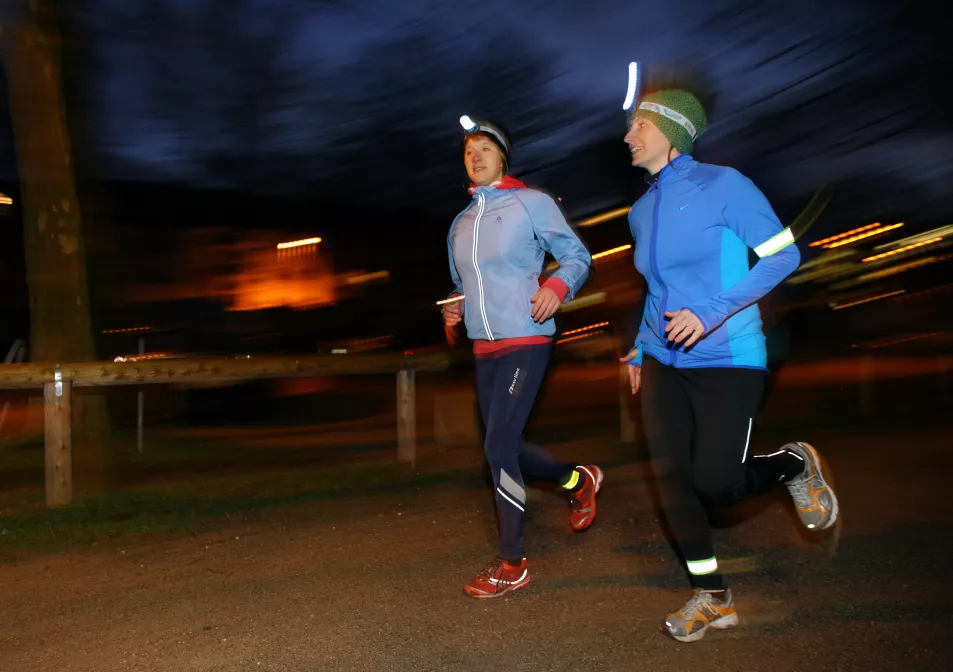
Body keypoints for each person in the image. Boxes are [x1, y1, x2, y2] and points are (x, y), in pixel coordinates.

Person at [619, 90, 839, 641]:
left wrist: (713, 312)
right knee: (672, 482)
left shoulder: (725, 186)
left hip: (729, 356)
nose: (628, 136)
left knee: (715, 481)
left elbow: (783, 255)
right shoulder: (640, 211)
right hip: (665, 361)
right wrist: (640, 349)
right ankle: (712, 596)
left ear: (672, 130)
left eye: (639, 124)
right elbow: (657, 292)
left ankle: (792, 465)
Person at [443, 116, 603, 599]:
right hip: (484, 347)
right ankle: (578, 479)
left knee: (497, 447)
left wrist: (556, 285)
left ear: (502, 157)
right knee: (504, 444)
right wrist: (455, 305)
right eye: (469, 151)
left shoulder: (530, 203)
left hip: (528, 337)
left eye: (485, 148)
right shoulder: (460, 222)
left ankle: (512, 562)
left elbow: (577, 256)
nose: (476, 156)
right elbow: (464, 284)